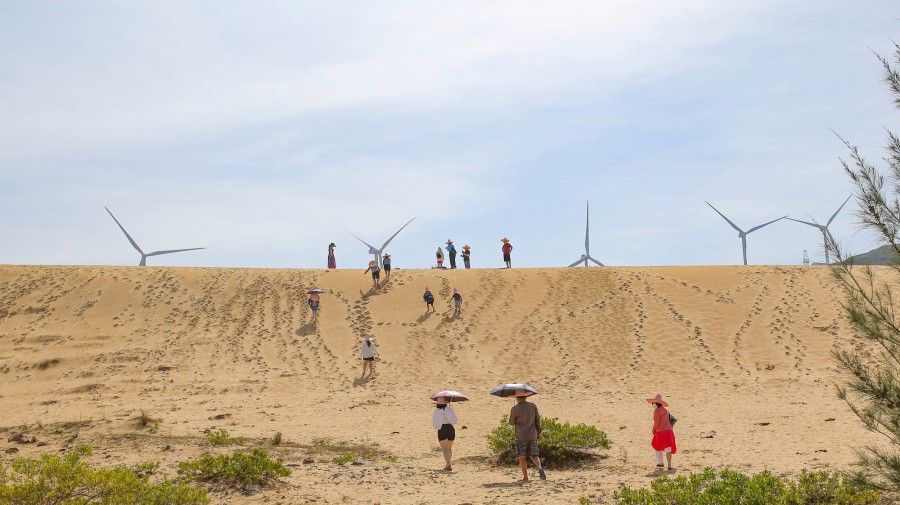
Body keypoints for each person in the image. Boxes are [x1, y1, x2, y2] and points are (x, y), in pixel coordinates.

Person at [509, 390, 546, 482]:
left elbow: (511, 422)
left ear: (517, 397)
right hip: (533, 434)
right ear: (525, 396)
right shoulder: (533, 406)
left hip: (521, 436)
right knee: (534, 455)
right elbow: (537, 419)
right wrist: (539, 432)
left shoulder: (515, 409)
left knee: (522, 457)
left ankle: (525, 477)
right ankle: (539, 467)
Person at [647, 394, 676, 471]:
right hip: (669, 431)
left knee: (657, 446)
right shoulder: (665, 410)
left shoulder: (656, 411)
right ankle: (669, 465)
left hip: (660, 432)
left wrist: (653, 429)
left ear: (656, 404)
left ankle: (660, 463)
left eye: (653, 403)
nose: (652, 405)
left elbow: (657, 422)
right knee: (668, 448)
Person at [433, 397, 458, 471]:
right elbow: (455, 420)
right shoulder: (449, 410)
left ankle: (448, 464)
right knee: (449, 448)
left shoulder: (436, 411)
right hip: (451, 428)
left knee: (445, 449)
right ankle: (448, 463)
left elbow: (434, 423)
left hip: (442, 429)